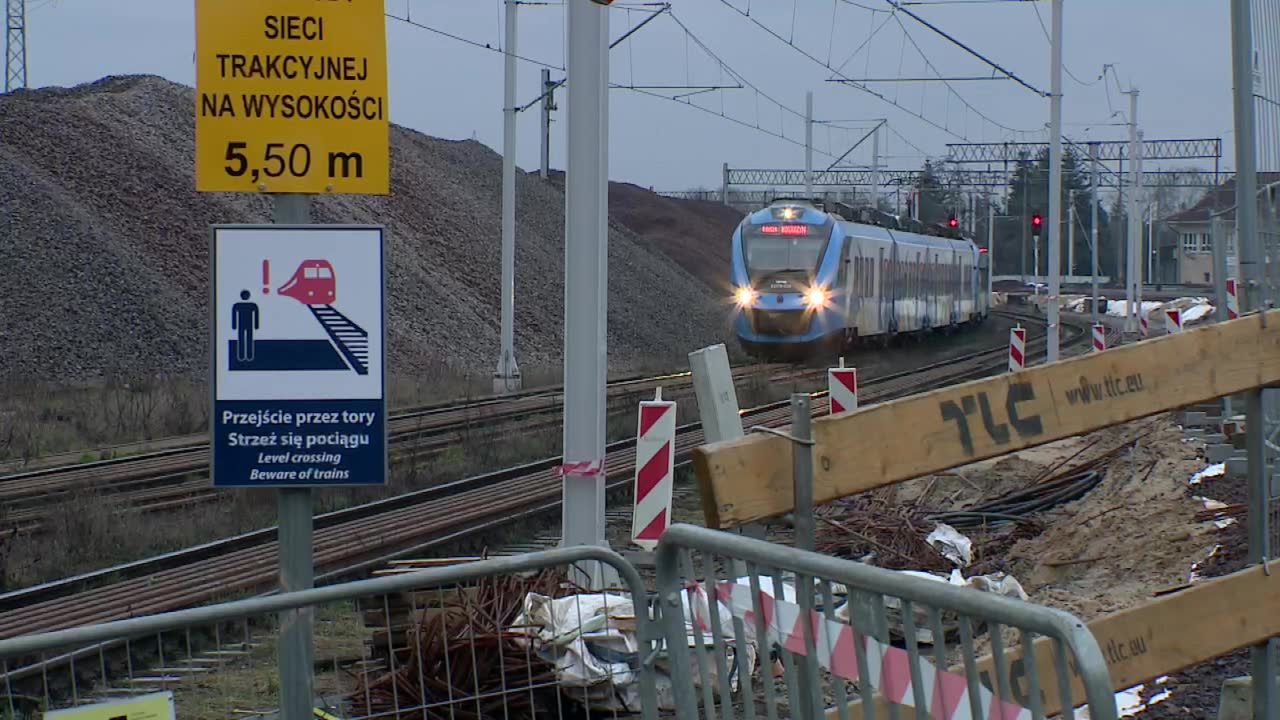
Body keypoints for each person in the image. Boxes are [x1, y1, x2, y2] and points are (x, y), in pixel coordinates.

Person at [231, 290, 260, 363]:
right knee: (243, 339)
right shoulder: (238, 305)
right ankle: (242, 356)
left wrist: (256, 325)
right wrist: (234, 325)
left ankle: (248, 356)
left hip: (247, 325)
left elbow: (256, 316)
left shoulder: (252, 305)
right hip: (243, 325)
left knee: (247, 340)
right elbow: (234, 316)